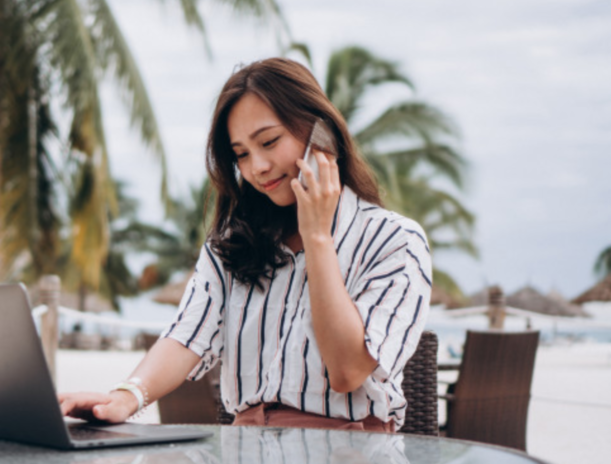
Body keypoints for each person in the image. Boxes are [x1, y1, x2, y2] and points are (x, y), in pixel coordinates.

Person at [59, 57, 432, 432]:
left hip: (351, 451)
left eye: (269, 142)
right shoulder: (234, 243)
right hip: (246, 446)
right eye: (242, 154)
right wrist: (125, 397)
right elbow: (188, 332)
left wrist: (318, 235)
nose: (258, 167)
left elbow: (348, 371)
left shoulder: (395, 242)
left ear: (322, 134)